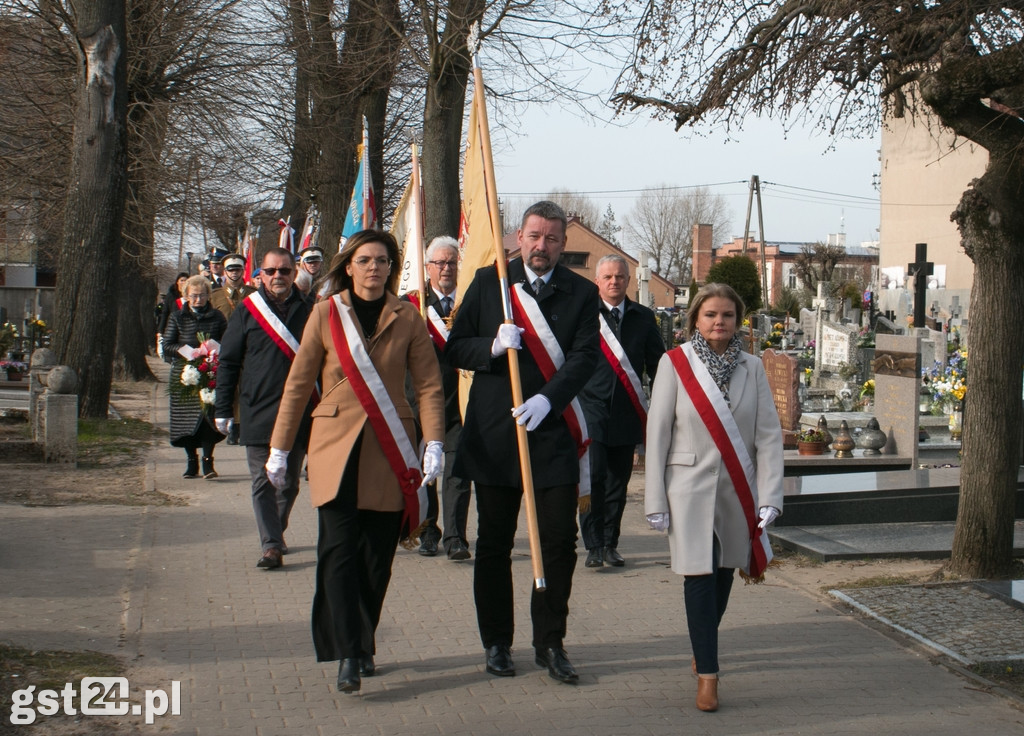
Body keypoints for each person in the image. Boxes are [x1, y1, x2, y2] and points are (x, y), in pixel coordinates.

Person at [267, 229, 445, 693]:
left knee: (376, 558)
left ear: (391, 267)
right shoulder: (326, 314)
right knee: (337, 553)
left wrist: (434, 442)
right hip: (335, 450)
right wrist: (280, 447)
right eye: (364, 260)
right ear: (349, 265)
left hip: (390, 452)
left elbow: (427, 386)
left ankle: (363, 642)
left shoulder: (408, 317)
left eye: (382, 261)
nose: (373, 268)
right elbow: (298, 383)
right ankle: (347, 651)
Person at [446, 200, 599, 684]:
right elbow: (455, 346)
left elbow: (584, 356)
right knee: (493, 543)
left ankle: (550, 642)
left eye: (552, 238)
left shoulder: (581, 292)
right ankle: (496, 642)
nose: (542, 246)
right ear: (519, 235)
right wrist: (492, 347)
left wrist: (549, 400)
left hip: (551, 436)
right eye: (534, 236)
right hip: (496, 436)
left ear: (563, 243)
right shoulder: (492, 282)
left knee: (558, 543)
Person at [644, 282, 784, 713]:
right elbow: (658, 434)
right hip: (687, 488)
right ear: (696, 320)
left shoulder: (752, 367)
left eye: (726, 315)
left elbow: (768, 435)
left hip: (737, 490)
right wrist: (654, 500)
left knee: (724, 574)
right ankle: (709, 673)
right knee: (698, 576)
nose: (718, 322)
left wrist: (771, 494)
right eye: (710, 315)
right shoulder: (675, 363)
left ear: (737, 319)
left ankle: (701, 644)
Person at [214, 248, 314, 569]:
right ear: (260, 274)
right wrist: (222, 409)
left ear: (294, 272)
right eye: (271, 271)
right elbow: (228, 362)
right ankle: (270, 545)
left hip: (299, 410)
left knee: (289, 482)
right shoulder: (247, 311)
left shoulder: (311, 310)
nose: (277, 277)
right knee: (262, 480)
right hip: (257, 408)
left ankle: (277, 530)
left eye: (284, 271)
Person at [577, 255, 665, 569]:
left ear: (628, 281)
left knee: (618, 483)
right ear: (598, 282)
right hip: (591, 410)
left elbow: (658, 365)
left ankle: (611, 543)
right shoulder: (585, 315)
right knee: (594, 478)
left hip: (627, 413)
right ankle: (593, 545)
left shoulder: (643, 318)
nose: (614, 282)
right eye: (608, 277)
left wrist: (669, 402)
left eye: (619, 277)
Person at [401, 235, 473, 560]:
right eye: (439, 263)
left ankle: (456, 537)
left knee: (458, 471)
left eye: (451, 262)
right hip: (420, 402)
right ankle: (428, 530)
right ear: (427, 267)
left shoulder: (472, 303)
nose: (446, 268)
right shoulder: (409, 305)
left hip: (460, 403)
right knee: (426, 471)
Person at [162, 275, 228, 479]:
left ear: (209, 295)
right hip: (185, 372)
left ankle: (208, 462)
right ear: (186, 296)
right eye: (194, 296)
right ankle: (191, 461)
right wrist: (187, 351)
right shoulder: (177, 317)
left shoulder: (217, 317)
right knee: (186, 420)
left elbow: (227, 341)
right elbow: (167, 344)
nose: (198, 300)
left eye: (202, 295)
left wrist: (215, 349)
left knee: (207, 416)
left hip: (209, 370)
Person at [210, 253, 256, 320]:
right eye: (230, 270)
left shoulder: (253, 293)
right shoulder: (215, 296)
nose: (234, 272)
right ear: (225, 272)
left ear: (243, 272)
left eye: (237, 270)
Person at [156, 272, 189, 358]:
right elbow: (165, 313)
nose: (184, 282)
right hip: (174, 327)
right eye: (182, 280)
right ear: (177, 282)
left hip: (187, 329)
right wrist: (160, 330)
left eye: (186, 280)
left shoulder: (191, 296)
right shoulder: (171, 296)